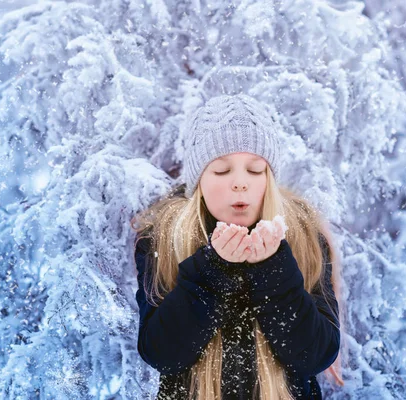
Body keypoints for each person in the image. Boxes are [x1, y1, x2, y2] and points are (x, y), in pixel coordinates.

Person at [131, 93, 345, 399]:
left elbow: (314, 355)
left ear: (269, 178)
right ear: (199, 179)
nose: (240, 182)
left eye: (255, 170)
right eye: (221, 170)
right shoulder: (164, 238)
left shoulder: (303, 236)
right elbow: (163, 352)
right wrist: (213, 270)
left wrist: (274, 271)